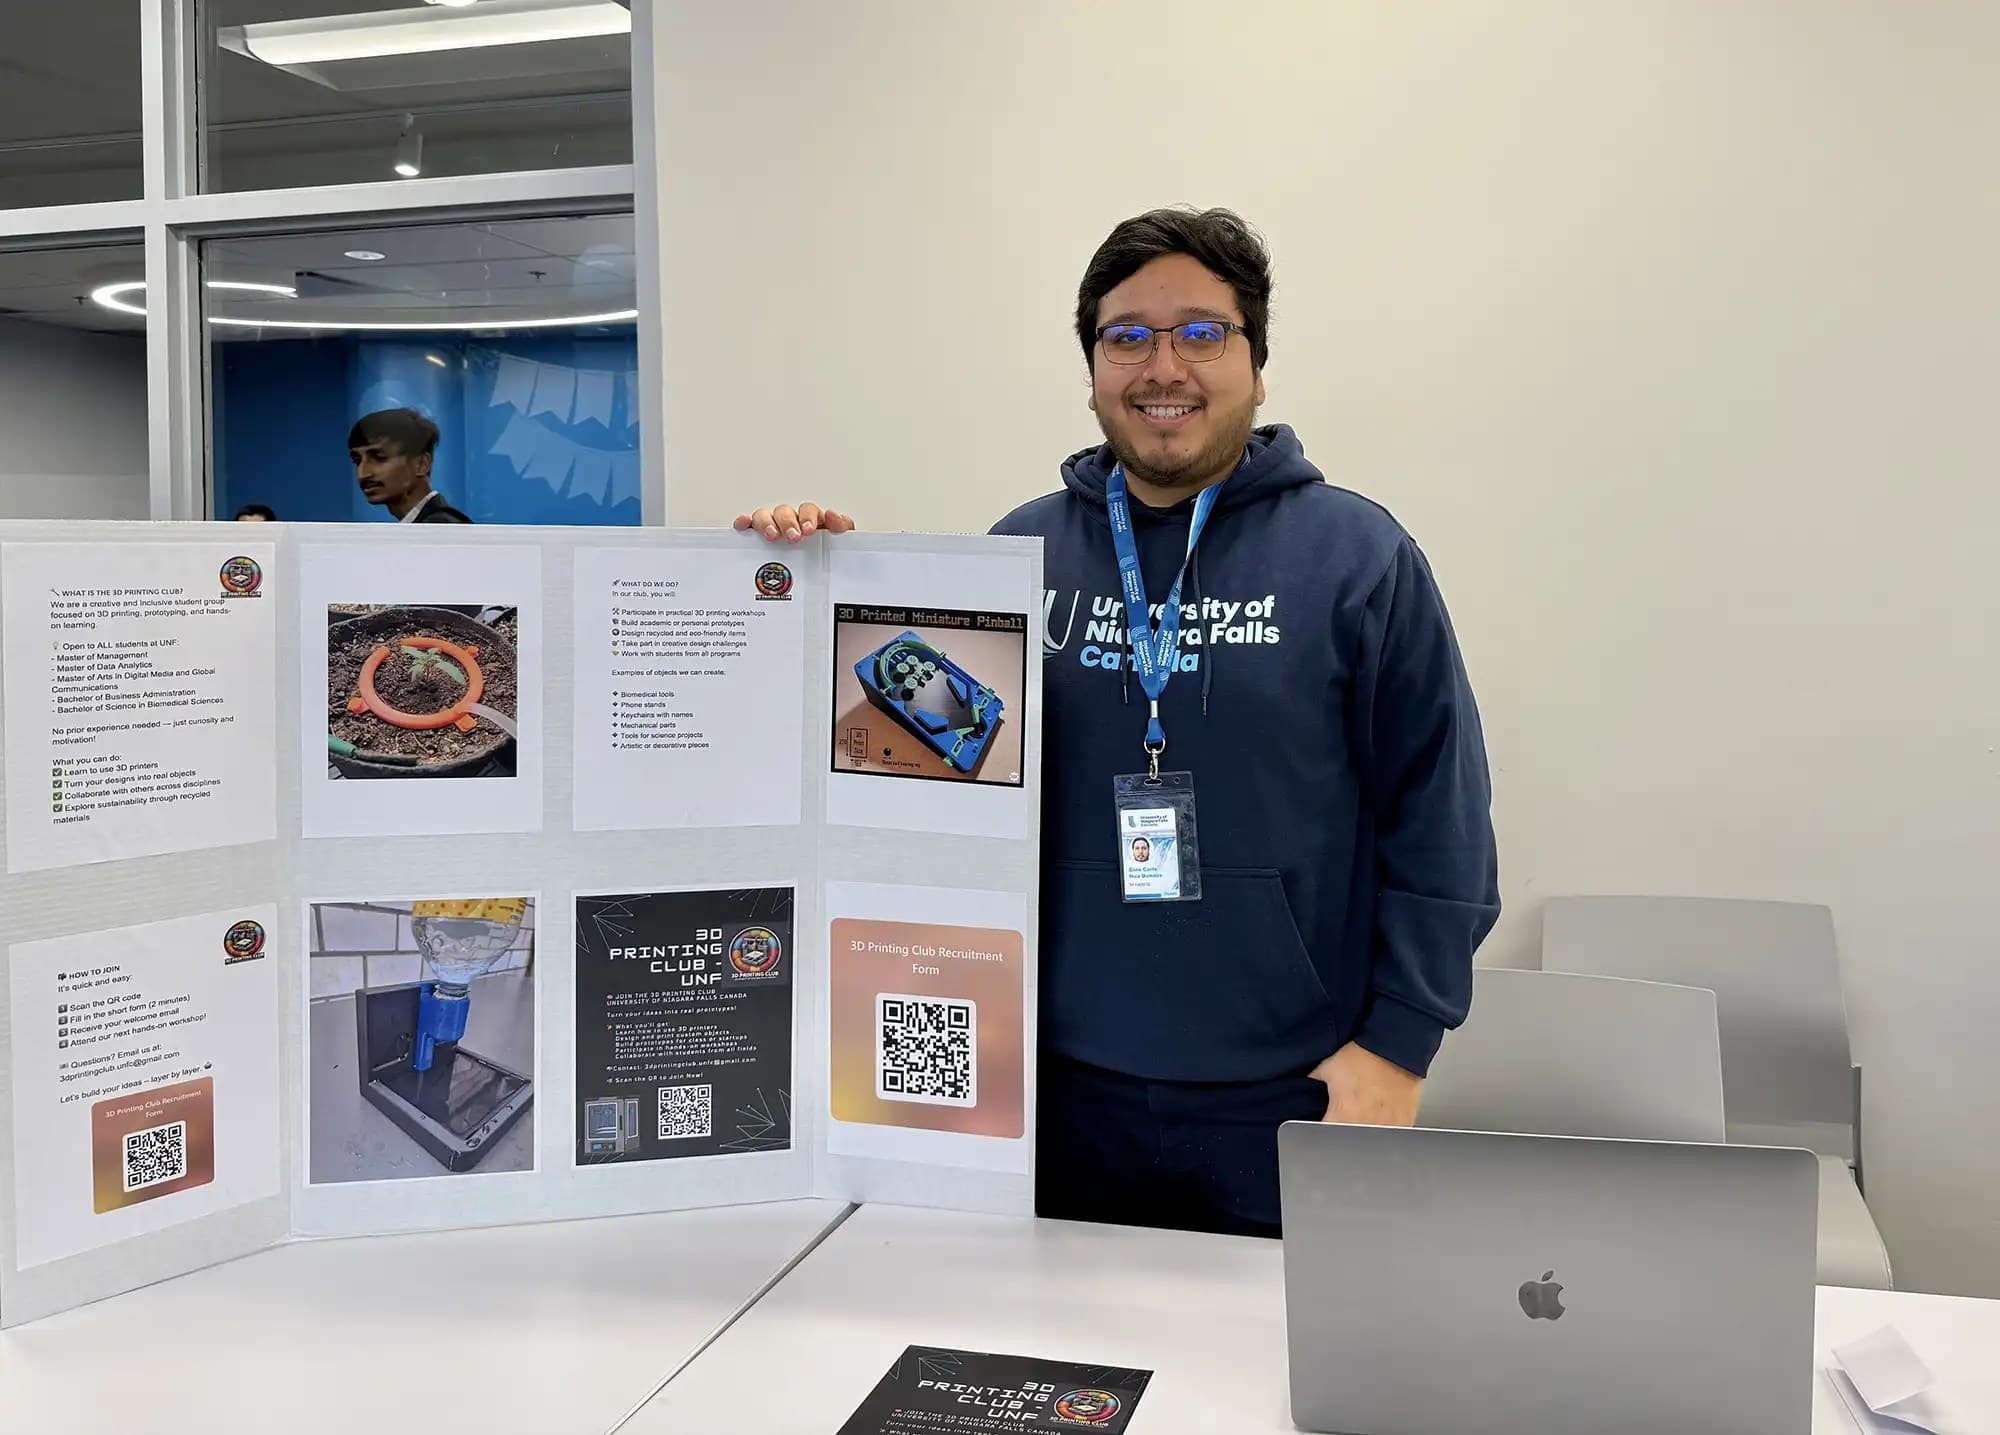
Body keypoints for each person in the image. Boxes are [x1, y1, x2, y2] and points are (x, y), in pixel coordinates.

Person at [739, 207, 1499, 1237]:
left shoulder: (1358, 558)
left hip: (1291, 1094)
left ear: (1257, 365)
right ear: (1093, 368)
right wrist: (803, 585)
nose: (1162, 366)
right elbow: (924, 783)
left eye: (1201, 332)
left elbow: (1441, 821)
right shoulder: (1016, 554)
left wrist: (1399, 1046)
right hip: (1048, 1092)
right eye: (1127, 335)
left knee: (1267, 1349)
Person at [348, 407, 470, 523]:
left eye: (379, 458)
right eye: (357, 461)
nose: (362, 474)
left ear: (422, 463)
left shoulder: (440, 527)